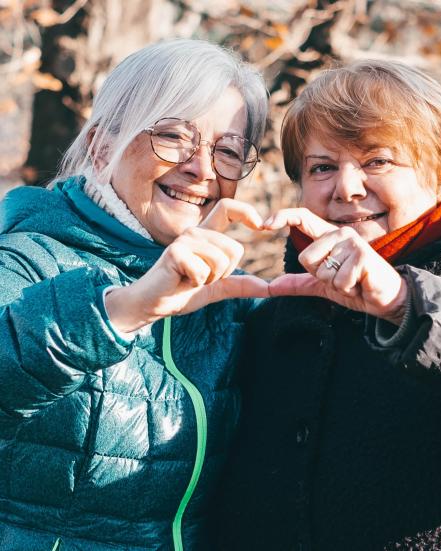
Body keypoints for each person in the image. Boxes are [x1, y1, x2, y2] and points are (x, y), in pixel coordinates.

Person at [212, 60, 441, 550]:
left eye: (378, 161)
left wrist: (406, 304)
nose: (346, 187)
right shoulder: (278, 311)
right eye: (322, 167)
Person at [0, 38, 269, 551]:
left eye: (228, 151)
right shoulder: (24, 260)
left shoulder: (228, 302)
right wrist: (118, 313)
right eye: (173, 137)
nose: (202, 168)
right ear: (102, 146)